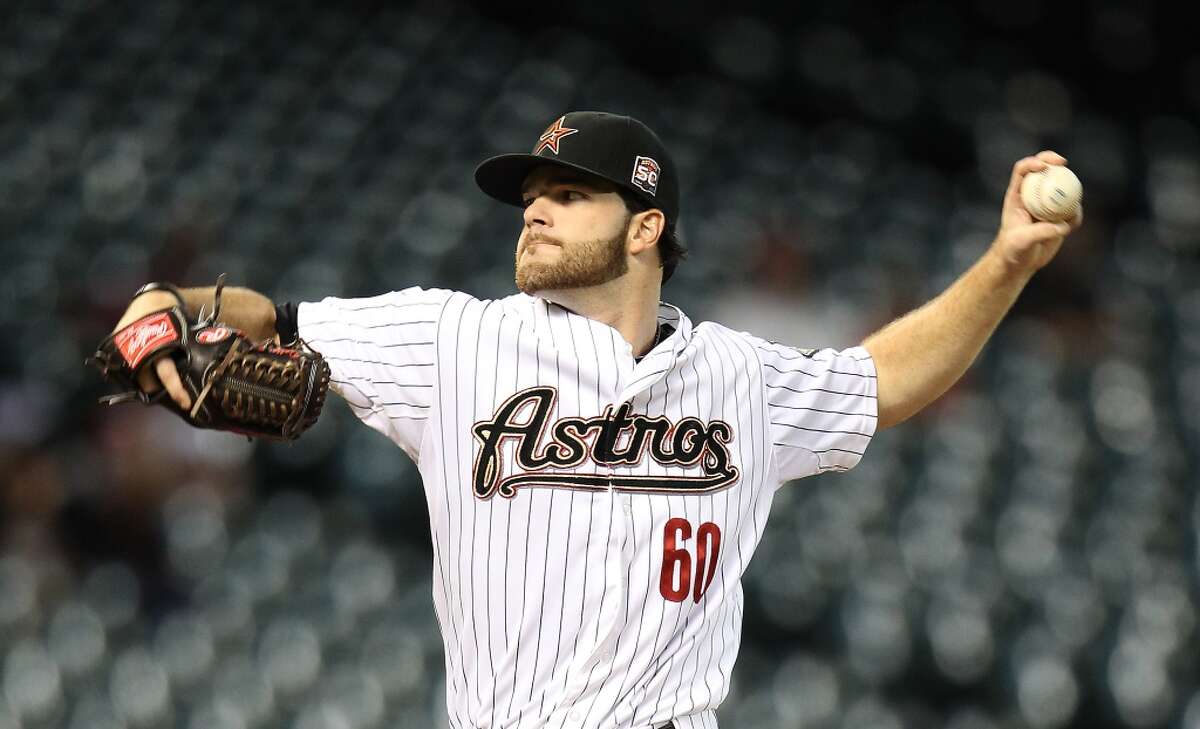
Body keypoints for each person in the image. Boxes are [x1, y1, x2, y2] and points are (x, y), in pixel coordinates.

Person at [109, 111, 1082, 729]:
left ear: (646, 224)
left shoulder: (737, 375)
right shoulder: (451, 339)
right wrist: (162, 306)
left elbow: (884, 380)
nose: (534, 213)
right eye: (531, 198)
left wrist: (1007, 263)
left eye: (568, 196)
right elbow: (268, 317)